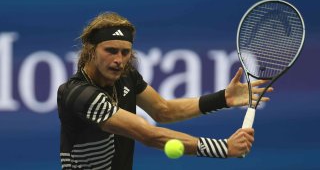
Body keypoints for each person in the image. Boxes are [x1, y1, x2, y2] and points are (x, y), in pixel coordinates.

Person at [57, 12, 273, 170]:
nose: (118, 60)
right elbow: (148, 134)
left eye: (125, 53)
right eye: (110, 51)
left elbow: (163, 110)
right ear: (91, 51)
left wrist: (222, 99)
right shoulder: (77, 94)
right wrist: (223, 147)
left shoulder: (126, 76)